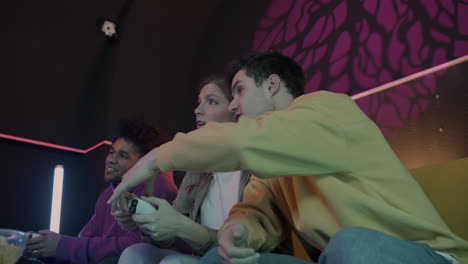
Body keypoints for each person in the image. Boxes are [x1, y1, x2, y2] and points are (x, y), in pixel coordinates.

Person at [108, 52, 468, 264]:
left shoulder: (330, 109)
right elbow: (255, 212)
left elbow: (248, 141)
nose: (234, 105)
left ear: (272, 85)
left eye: (239, 90)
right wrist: (238, 231)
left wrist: (157, 156)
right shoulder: (275, 164)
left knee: (352, 243)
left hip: (426, 257)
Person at [116, 76, 255, 264]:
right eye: (199, 102)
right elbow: (169, 237)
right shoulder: (197, 168)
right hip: (204, 257)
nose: (197, 110)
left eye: (211, 101)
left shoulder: (254, 166)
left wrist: (182, 227)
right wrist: (145, 220)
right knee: (135, 253)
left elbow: (249, 243)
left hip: (239, 258)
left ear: (235, 110)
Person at [25, 119, 178, 264]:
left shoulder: (158, 184)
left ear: (144, 162)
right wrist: (45, 247)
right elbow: (85, 241)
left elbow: (135, 246)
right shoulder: (108, 193)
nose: (111, 159)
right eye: (112, 152)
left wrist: (61, 246)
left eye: (123, 155)